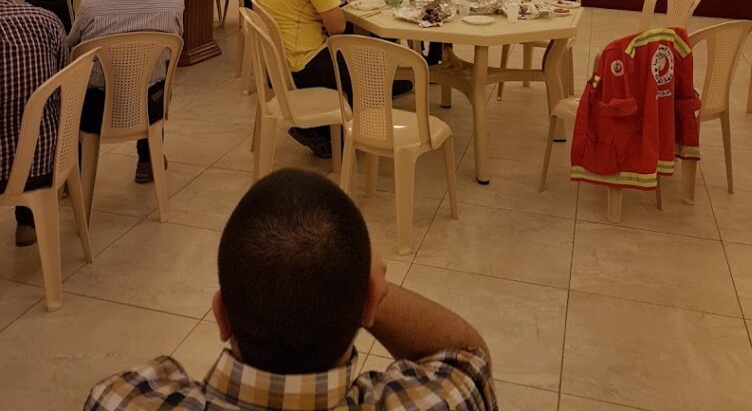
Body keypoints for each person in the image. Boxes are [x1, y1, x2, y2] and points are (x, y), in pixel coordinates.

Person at [84, 168, 496, 411]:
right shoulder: (437, 401)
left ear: (220, 314)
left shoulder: (120, 400)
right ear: (371, 302)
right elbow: (466, 354)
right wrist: (362, 288)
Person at [68, 0, 184, 184]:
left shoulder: (92, 6)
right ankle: (148, 160)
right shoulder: (175, 3)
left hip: (96, 111)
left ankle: (72, 170)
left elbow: (71, 50)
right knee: (155, 78)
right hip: (150, 107)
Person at [251, 0, 347, 159]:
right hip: (303, 65)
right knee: (365, 66)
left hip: (275, 66)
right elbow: (338, 27)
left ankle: (324, 132)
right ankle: (342, 138)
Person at [0, 0, 67, 247]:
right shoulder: (44, 20)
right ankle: (27, 221)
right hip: (41, 166)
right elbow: (64, 82)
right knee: (31, 117)